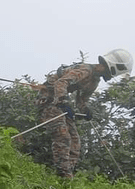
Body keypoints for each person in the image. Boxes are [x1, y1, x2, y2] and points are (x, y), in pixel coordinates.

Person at [36, 49, 132, 179]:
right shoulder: (85, 70)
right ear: (114, 66)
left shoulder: (94, 81)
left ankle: (67, 173)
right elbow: (61, 82)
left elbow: (81, 101)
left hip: (60, 104)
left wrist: (85, 110)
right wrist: (63, 100)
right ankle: (63, 173)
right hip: (48, 99)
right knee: (63, 136)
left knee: (75, 140)